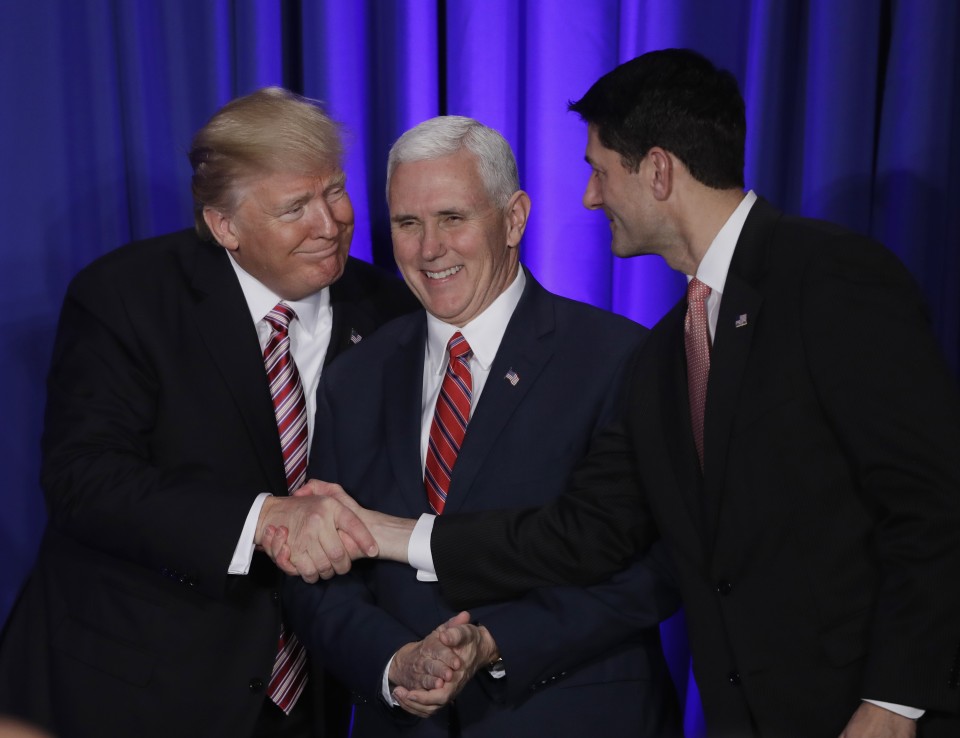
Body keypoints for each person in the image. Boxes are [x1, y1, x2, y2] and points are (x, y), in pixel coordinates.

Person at [267, 51, 960, 737]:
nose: (590, 196)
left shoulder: (815, 282)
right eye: (407, 224)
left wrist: (895, 699)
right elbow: (594, 532)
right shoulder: (670, 347)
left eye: (598, 171)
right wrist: (393, 648)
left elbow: (929, 501)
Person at [0, 87, 417, 738]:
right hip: (132, 683)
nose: (330, 223)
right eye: (294, 207)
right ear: (225, 225)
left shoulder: (391, 314)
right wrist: (262, 519)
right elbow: (85, 479)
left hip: (308, 694)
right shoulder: (127, 298)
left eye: (334, 191)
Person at [281, 116, 682, 737]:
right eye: (407, 224)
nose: (429, 248)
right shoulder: (354, 377)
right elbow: (321, 572)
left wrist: (497, 643)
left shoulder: (618, 358)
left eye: (452, 218)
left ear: (514, 218)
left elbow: (656, 568)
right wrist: (394, 662)